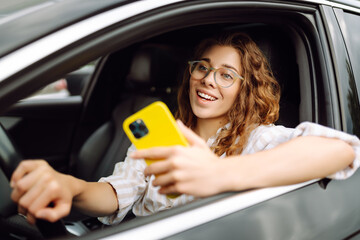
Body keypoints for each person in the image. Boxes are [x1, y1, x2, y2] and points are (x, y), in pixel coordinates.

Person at [10, 32, 360, 225]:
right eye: (202, 68)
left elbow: (342, 150)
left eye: (226, 75)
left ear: (245, 89)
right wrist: (69, 187)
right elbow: (117, 194)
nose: (208, 79)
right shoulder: (162, 133)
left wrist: (220, 172)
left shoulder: (258, 137)